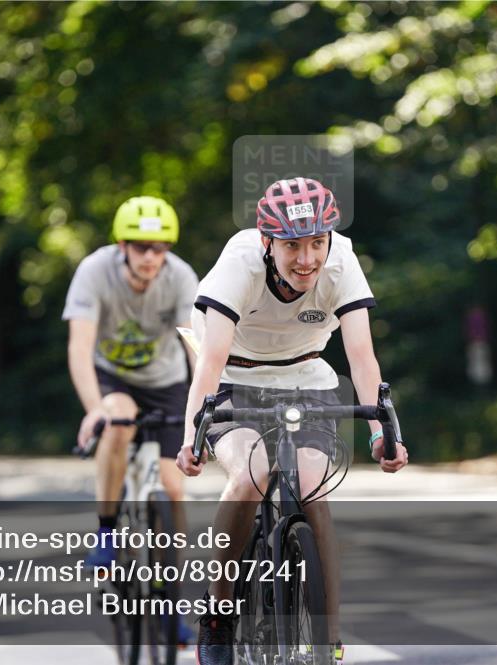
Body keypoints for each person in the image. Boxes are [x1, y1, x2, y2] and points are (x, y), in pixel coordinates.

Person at [176, 177, 410, 665]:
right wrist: (190, 439)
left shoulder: (341, 262)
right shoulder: (239, 265)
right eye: (291, 246)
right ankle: (217, 617)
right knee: (251, 475)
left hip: (307, 375)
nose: (307, 258)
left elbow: (362, 358)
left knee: (310, 487)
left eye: (316, 243)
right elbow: (210, 361)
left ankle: (328, 636)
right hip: (235, 376)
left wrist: (380, 435)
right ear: (267, 242)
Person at [63, 195, 198, 642]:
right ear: (122, 245)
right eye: (141, 247)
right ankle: (105, 532)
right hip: (112, 376)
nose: (150, 256)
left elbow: (196, 348)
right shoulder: (94, 272)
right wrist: (95, 409)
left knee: (173, 488)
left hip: (166, 380)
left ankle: (168, 597)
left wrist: (205, 405)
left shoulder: (180, 278)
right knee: (118, 422)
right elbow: (79, 348)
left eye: (160, 247)